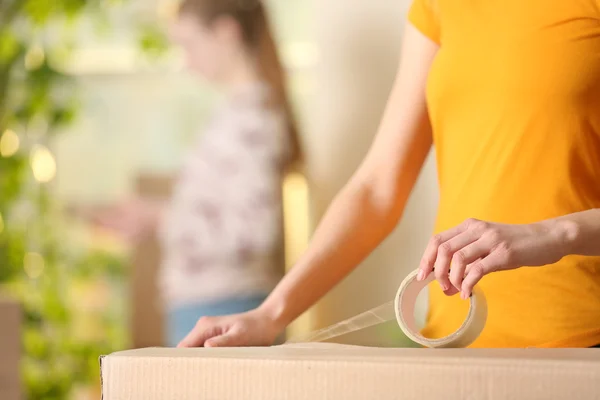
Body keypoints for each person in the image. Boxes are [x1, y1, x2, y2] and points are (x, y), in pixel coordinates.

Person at [178, 0, 600, 349]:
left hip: (582, 345)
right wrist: (269, 315)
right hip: (454, 342)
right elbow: (378, 188)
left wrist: (555, 234)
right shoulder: (438, 7)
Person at [92, 0, 301, 347]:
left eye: (190, 44)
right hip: (208, 301)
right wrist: (156, 215)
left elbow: (253, 231)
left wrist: (161, 219)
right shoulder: (236, 112)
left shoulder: (253, 119)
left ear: (226, 32)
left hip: (224, 303)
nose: (186, 60)